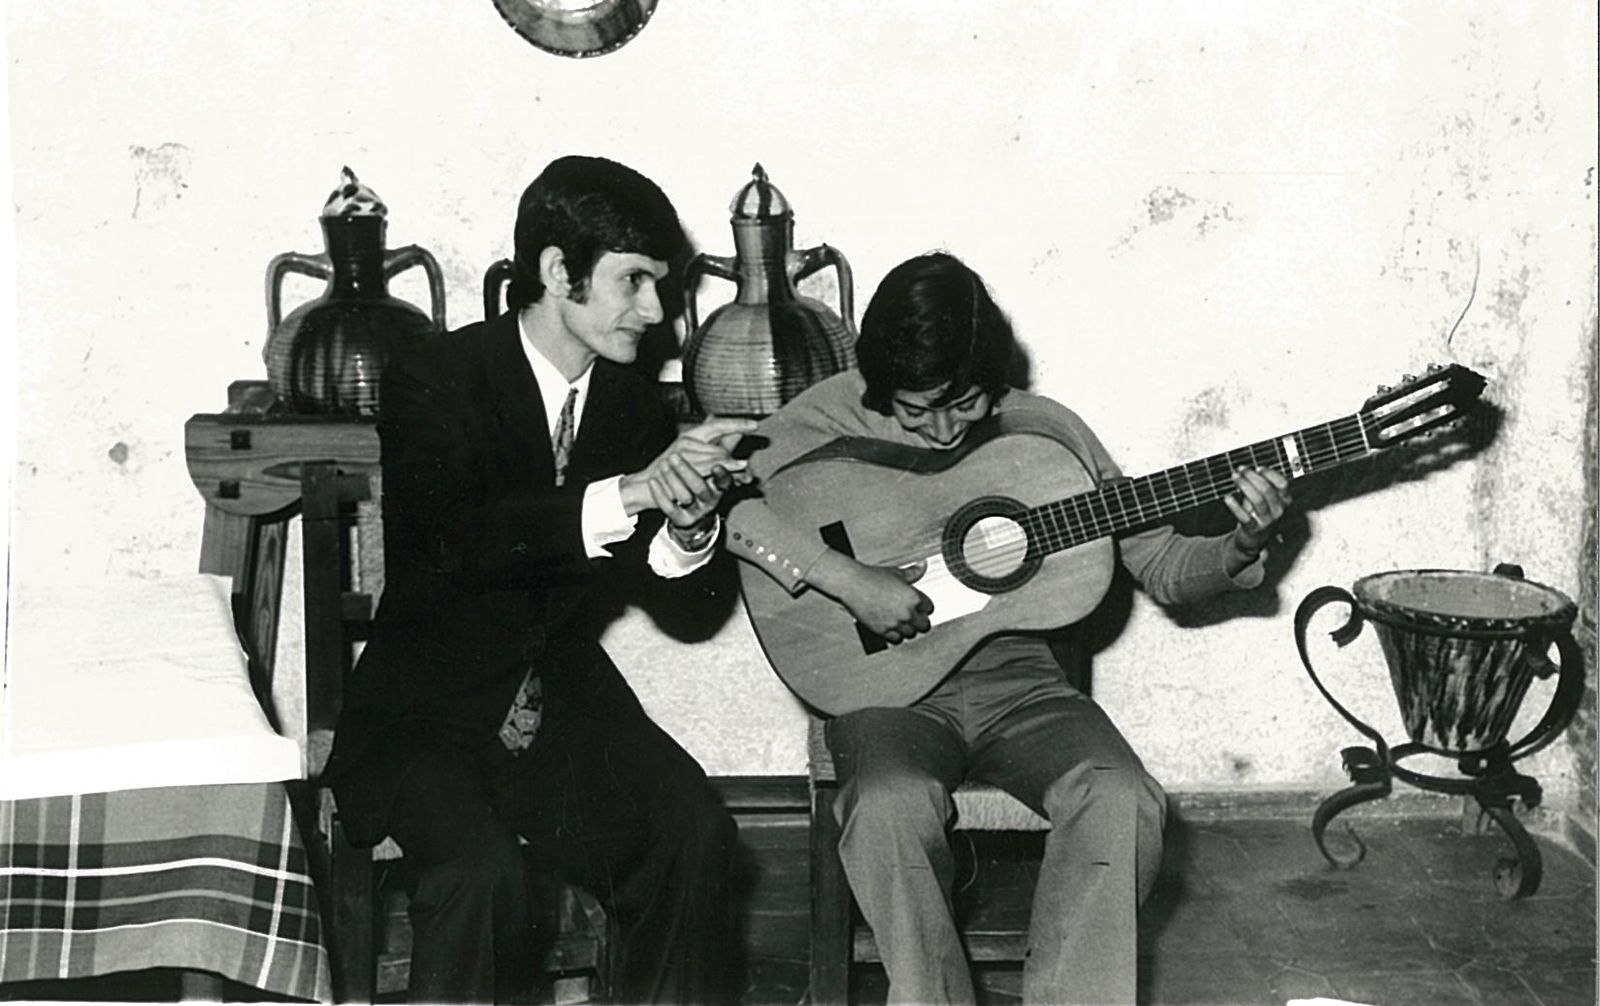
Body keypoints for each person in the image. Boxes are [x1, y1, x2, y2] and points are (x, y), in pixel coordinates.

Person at [724, 251, 1293, 1006]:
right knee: (886, 805)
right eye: (912, 410)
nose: (936, 430)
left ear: (994, 379)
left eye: (959, 406)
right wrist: (846, 578)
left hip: (1022, 688)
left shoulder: (1047, 433)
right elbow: (729, 512)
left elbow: (1161, 564)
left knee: (1122, 797)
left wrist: (1241, 544)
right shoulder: (823, 415)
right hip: (885, 694)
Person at [325, 155, 754, 1005]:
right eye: (634, 282)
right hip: (425, 712)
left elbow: (682, 606)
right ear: (560, 272)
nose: (657, 311)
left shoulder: (633, 406)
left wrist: (690, 523)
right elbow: (463, 540)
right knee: (480, 878)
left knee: (696, 836)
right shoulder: (435, 376)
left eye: (662, 286)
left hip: (558, 705)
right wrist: (633, 491)